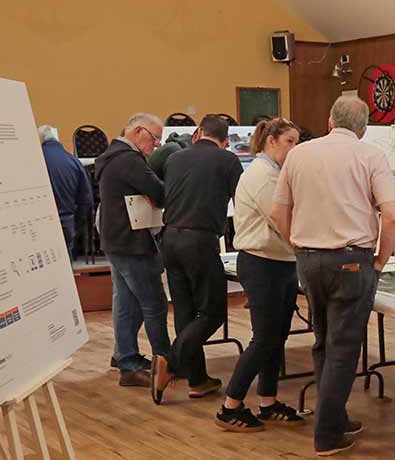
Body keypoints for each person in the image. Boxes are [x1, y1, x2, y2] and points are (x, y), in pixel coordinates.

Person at [272, 96, 395, 456]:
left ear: (330, 120)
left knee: (323, 340)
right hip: (351, 260)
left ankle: (335, 417)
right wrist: (380, 260)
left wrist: (297, 247)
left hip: (309, 260)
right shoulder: (370, 156)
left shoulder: (300, 154)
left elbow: (278, 211)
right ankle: (327, 433)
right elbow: (391, 216)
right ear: (363, 128)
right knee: (344, 348)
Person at [216, 118, 303, 432]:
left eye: (297, 142)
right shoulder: (262, 174)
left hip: (280, 263)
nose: (295, 148)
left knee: (276, 338)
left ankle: (268, 401)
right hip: (262, 263)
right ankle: (230, 406)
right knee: (264, 338)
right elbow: (281, 217)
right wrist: (305, 244)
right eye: (290, 141)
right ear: (272, 141)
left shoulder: (275, 173)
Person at [153, 114, 243, 404]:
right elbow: (242, 201)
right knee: (213, 312)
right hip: (200, 240)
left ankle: (198, 380)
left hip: (170, 238)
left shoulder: (175, 159)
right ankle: (170, 361)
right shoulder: (228, 161)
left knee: (184, 311)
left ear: (197, 133)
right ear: (225, 140)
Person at [95, 113, 174, 389]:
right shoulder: (129, 160)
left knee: (127, 303)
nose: (156, 144)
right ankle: (164, 362)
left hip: (116, 240)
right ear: (138, 132)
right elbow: (160, 192)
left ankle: (126, 358)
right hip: (132, 243)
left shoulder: (111, 156)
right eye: (154, 138)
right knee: (154, 303)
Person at [38, 125, 93, 261]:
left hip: (39, 225)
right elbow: (86, 200)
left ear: (40, 140)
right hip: (67, 223)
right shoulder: (74, 161)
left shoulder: (34, 160)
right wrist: (74, 220)